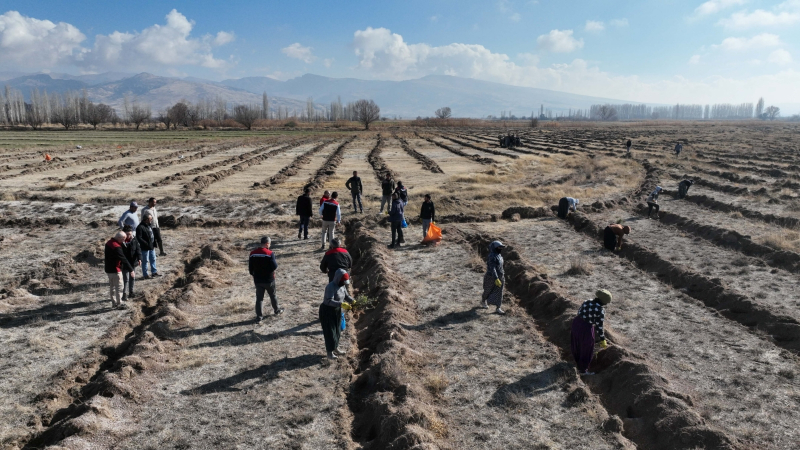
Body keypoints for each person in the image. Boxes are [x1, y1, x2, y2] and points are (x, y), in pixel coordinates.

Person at [571, 289, 611, 375]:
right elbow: (599, 326)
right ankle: (582, 371)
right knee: (586, 348)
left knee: (577, 344)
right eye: (606, 302)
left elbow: (579, 312)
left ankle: (576, 363)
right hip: (586, 328)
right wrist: (602, 339)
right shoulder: (600, 310)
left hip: (576, 323)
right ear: (604, 301)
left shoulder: (587, 301)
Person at [320, 269, 353, 359]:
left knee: (337, 331)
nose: (344, 283)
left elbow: (346, 296)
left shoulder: (342, 286)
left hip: (337, 310)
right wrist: (341, 304)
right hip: (327, 311)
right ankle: (329, 353)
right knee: (330, 332)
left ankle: (335, 348)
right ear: (338, 279)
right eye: (343, 281)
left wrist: (353, 301)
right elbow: (328, 301)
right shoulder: (330, 287)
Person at [249, 236, 283, 322]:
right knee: (273, 295)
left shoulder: (252, 253)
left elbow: (250, 268)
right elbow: (275, 266)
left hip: (258, 280)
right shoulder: (269, 253)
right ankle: (277, 310)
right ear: (267, 243)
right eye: (270, 244)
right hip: (269, 280)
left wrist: (254, 275)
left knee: (259, 298)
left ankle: (259, 317)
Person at [104, 231, 134, 309]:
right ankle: (119, 303)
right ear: (119, 238)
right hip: (115, 269)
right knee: (119, 286)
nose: (124, 241)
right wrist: (131, 270)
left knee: (112, 286)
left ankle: (114, 303)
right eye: (123, 239)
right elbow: (123, 258)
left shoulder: (109, 243)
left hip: (108, 269)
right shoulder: (116, 246)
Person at [481, 241, 506, 315]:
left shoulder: (499, 255)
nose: (500, 249)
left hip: (500, 276)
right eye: (499, 247)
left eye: (501, 247)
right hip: (491, 277)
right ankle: (483, 301)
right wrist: (496, 278)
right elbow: (492, 268)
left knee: (499, 292)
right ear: (494, 248)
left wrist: (500, 276)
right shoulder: (492, 256)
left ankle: (498, 307)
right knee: (487, 290)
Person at [136, 214, 160, 279]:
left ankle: (154, 272)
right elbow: (139, 238)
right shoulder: (140, 227)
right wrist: (146, 243)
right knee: (145, 261)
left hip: (151, 246)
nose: (151, 220)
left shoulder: (149, 226)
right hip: (145, 247)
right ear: (146, 220)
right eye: (150, 219)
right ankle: (145, 275)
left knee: (153, 259)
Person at [121, 225, 141, 300]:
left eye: (130, 234)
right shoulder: (121, 241)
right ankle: (124, 294)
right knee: (125, 279)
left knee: (132, 277)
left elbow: (138, 249)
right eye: (127, 234)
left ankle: (131, 292)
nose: (129, 236)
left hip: (133, 262)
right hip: (125, 263)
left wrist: (139, 258)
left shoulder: (134, 240)